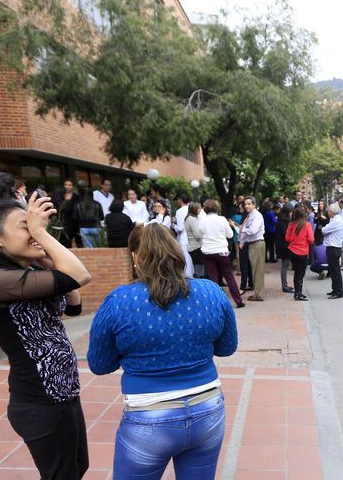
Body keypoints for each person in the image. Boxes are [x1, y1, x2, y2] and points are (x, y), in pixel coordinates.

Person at [87, 223, 237, 479]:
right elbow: (227, 347)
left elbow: (100, 364)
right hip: (207, 410)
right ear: (177, 251)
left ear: (136, 256)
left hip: (148, 416)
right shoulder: (211, 292)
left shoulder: (120, 301)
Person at [0, 194, 91, 480]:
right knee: (61, 475)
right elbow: (80, 275)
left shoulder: (27, 273)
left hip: (64, 394)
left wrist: (50, 262)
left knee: (76, 468)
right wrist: (43, 235)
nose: (35, 230)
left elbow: (74, 306)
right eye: (25, 226)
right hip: (40, 401)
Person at [199, 199, 245, 309]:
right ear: (217, 208)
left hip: (207, 251)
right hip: (221, 251)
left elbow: (199, 234)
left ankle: (215, 303)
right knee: (229, 277)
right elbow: (229, 235)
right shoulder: (222, 219)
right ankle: (238, 301)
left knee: (213, 278)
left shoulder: (202, 221)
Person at [239, 196, 266, 302]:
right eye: (245, 204)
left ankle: (259, 294)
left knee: (257, 271)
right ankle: (257, 293)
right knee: (255, 270)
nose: (246, 206)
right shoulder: (250, 215)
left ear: (254, 205)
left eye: (249, 204)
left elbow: (253, 230)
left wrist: (241, 228)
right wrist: (242, 240)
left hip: (257, 244)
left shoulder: (257, 216)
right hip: (252, 244)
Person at [285, 206, 314, 301]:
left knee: (296, 273)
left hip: (292, 251)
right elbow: (311, 239)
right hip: (302, 253)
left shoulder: (291, 224)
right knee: (300, 274)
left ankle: (297, 292)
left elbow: (287, 239)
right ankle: (299, 293)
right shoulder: (307, 225)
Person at [321, 203, 343, 299]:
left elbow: (324, 230)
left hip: (334, 248)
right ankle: (334, 289)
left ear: (333, 211)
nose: (328, 212)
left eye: (329, 211)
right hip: (332, 247)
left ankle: (338, 292)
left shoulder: (337, 220)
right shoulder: (334, 219)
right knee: (333, 270)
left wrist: (324, 229)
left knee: (335, 271)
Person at [52, 180, 80, 248]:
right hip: (60, 224)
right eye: (66, 184)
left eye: (69, 185)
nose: (67, 186)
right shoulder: (58, 197)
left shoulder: (77, 197)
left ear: (73, 187)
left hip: (73, 223)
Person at [173, 193, 194, 278]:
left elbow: (180, 228)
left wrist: (174, 225)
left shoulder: (179, 211)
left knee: (187, 260)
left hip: (184, 238)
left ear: (180, 200)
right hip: (194, 238)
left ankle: (189, 278)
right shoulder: (192, 208)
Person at [275, 204, 293, 293]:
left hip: (283, 245)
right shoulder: (282, 221)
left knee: (285, 266)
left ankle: (285, 285)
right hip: (284, 246)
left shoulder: (281, 219)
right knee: (284, 266)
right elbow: (285, 233)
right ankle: (284, 286)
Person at [186, 202, 205, 278]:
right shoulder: (192, 219)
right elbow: (197, 235)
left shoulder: (188, 218)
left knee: (196, 268)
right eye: (199, 208)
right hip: (196, 247)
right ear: (195, 209)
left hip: (192, 247)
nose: (200, 209)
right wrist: (204, 232)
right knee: (200, 271)